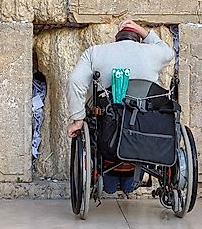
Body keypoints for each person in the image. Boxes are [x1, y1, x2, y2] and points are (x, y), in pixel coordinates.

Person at [65, 20, 174, 195]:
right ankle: (132, 178)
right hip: (144, 130)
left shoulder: (96, 52)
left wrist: (78, 120)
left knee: (97, 116)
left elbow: (75, 82)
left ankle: (109, 177)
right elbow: (168, 51)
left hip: (109, 131)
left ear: (117, 39)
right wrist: (143, 30)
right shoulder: (154, 52)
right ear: (137, 38)